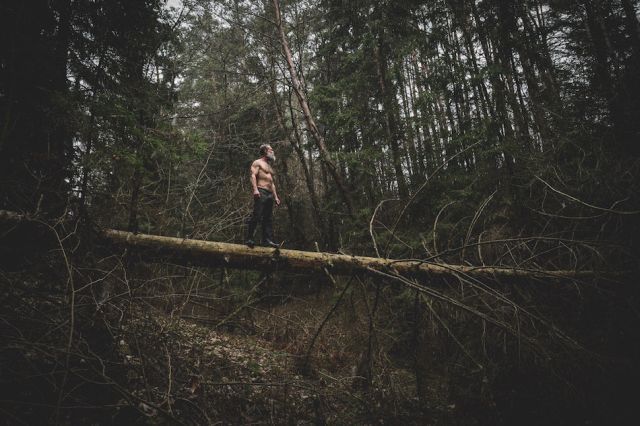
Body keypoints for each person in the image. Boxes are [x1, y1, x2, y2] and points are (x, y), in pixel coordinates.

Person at [245, 144, 281, 248]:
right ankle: (250, 238)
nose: (272, 151)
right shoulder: (257, 162)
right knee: (257, 215)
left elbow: (272, 183)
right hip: (261, 191)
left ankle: (267, 240)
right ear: (265, 151)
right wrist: (255, 190)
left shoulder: (269, 166)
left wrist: (276, 197)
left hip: (269, 194)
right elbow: (252, 176)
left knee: (268, 218)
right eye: (271, 150)